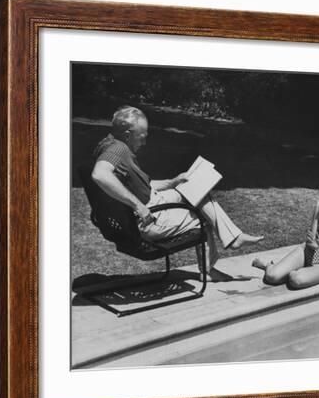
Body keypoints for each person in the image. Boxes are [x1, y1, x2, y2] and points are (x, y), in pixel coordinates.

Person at [91, 106, 263, 278]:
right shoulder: (118, 150)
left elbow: (141, 186)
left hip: (148, 203)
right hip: (150, 217)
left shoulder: (108, 143)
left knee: (197, 191)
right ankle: (210, 269)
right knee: (204, 217)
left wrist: (172, 182)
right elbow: (99, 174)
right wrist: (138, 206)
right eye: (142, 137)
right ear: (128, 134)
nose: (144, 143)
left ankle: (234, 237)